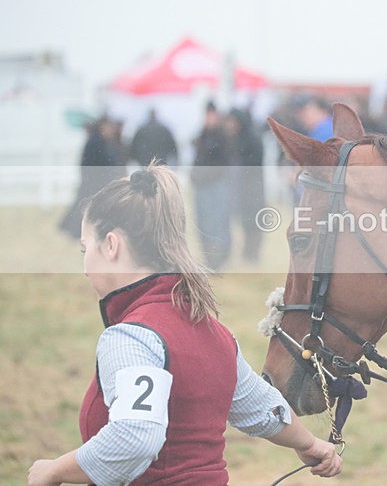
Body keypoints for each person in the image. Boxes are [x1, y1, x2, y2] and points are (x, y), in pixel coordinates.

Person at [28, 163, 342, 485]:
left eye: (85, 248)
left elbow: (135, 437)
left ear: (111, 245)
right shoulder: (213, 331)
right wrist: (309, 443)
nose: (84, 265)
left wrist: (53, 469)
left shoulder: (130, 337)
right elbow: (262, 406)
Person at [59, 116, 128, 239]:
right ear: (103, 127)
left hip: (92, 180)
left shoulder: (97, 140)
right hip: (93, 180)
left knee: (83, 205)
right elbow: (103, 161)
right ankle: (75, 229)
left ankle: (73, 229)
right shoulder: (98, 141)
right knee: (85, 206)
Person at [190, 101, 232, 269]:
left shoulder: (221, 136)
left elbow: (223, 160)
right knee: (203, 223)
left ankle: (217, 260)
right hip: (202, 185)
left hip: (216, 185)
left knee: (216, 223)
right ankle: (209, 259)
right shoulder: (202, 135)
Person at [225, 107, 266, 262]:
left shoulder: (252, 139)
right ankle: (247, 254)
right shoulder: (234, 138)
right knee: (245, 221)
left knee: (253, 222)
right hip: (241, 187)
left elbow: (253, 163)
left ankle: (252, 254)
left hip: (253, 187)